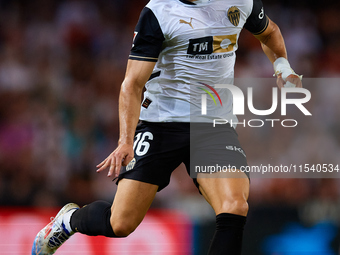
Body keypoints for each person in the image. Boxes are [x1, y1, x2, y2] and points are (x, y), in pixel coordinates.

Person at [32, 0, 302, 254]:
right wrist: (125, 140)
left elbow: (269, 32)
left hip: (213, 126)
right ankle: (69, 220)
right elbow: (132, 84)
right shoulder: (159, 12)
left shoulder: (240, 2)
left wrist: (282, 66)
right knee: (121, 223)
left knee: (234, 206)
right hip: (160, 123)